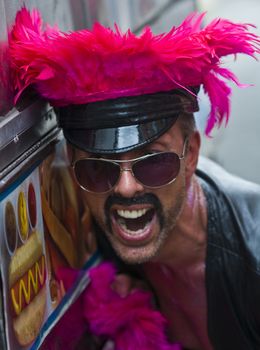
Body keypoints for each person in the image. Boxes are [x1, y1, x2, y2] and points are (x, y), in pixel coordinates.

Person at [9, 7, 260, 350]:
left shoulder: (251, 264)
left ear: (191, 156)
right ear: (72, 168)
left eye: (154, 163)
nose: (126, 187)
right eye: (98, 168)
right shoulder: (91, 235)